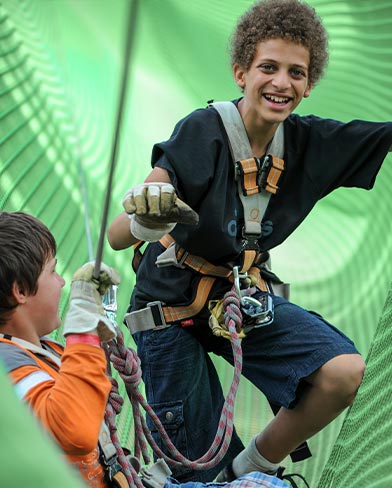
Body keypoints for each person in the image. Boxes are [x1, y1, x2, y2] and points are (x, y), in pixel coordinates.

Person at [107, 0, 392, 483]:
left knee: (341, 371)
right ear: (241, 72)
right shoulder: (204, 133)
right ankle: (221, 475)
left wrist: (249, 472)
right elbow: (117, 236)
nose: (282, 82)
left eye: (296, 72)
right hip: (169, 310)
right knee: (194, 473)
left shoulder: (309, 142)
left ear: (309, 84)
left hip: (239, 299)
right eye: (269, 67)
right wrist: (148, 219)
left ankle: (249, 470)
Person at [0, 211, 122, 487]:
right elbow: (73, 429)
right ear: (20, 291)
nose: (62, 281)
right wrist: (83, 330)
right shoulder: (6, 365)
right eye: (53, 271)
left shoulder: (43, 350)